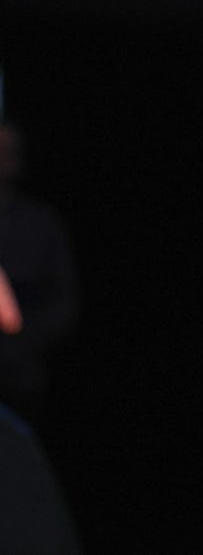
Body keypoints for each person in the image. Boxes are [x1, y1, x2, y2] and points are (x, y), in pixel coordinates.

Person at [0, 121, 79, 430]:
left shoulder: (39, 223)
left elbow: (64, 299)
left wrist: (26, 342)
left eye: (11, 152)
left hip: (23, 375)